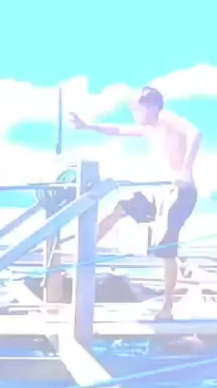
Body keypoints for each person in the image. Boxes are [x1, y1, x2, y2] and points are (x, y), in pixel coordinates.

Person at [69, 86, 202, 319]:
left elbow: (196, 133)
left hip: (180, 192)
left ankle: (167, 307)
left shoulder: (166, 118)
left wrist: (187, 167)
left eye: (138, 109)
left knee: (166, 248)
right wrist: (88, 126)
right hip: (160, 191)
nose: (135, 114)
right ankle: (84, 251)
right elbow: (118, 129)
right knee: (121, 208)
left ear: (153, 107)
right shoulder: (149, 129)